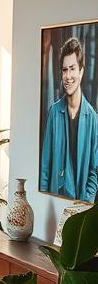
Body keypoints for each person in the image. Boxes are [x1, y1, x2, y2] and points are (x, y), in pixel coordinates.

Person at [41, 37, 98, 200]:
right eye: (64, 70)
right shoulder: (54, 112)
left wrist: (86, 200)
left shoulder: (93, 118)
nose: (68, 76)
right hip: (55, 197)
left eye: (72, 68)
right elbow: (45, 165)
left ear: (81, 71)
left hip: (81, 201)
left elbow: (95, 169)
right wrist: (44, 197)